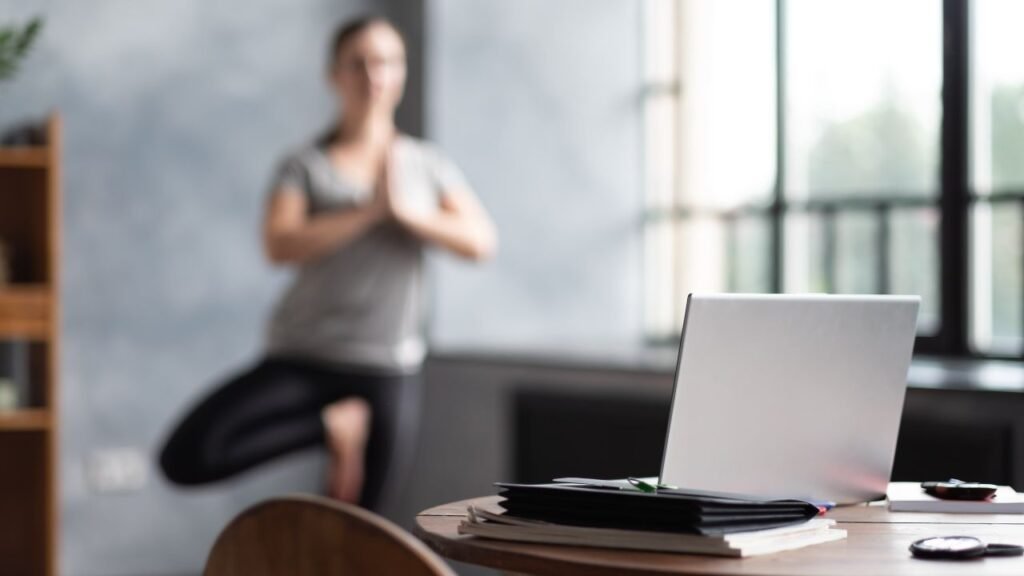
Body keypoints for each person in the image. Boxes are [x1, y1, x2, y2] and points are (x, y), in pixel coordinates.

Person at [159, 16, 496, 510]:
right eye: (357, 63)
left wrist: (407, 214)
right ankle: (332, 426)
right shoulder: (304, 165)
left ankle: (346, 429)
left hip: (387, 367)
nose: (372, 75)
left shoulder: (427, 166)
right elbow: (280, 243)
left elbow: (480, 242)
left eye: (385, 62)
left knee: (364, 529)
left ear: (400, 73)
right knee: (188, 456)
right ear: (333, 75)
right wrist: (369, 212)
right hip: (304, 355)